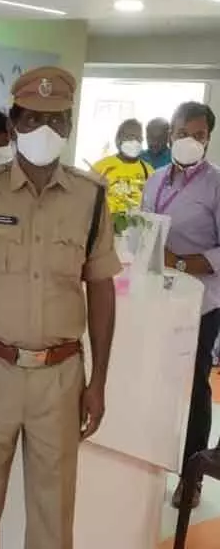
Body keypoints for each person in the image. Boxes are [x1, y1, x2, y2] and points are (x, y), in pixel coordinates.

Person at [0, 66, 120, 549]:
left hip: (60, 379)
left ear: (70, 126)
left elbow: (100, 290)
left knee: (53, 514)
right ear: (14, 123)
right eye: (34, 119)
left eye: (57, 121)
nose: (46, 131)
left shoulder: (91, 198)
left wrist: (98, 379)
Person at [141, 102, 218, 509]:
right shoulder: (153, 181)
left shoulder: (217, 185)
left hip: (203, 303)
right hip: (159, 298)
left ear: (208, 139)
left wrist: (183, 262)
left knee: (195, 385)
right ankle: (150, 461)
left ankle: (192, 476)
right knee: (156, 378)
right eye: (182, 132)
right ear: (170, 134)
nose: (189, 141)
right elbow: (145, 232)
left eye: (199, 134)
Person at [91, 118, 150, 214]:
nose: (135, 142)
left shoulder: (149, 171)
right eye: (130, 137)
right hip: (106, 224)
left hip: (137, 225)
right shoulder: (100, 167)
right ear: (118, 140)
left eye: (138, 138)